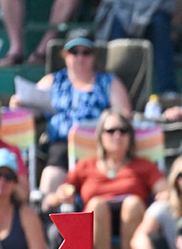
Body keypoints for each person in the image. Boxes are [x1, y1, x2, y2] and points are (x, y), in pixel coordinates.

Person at [41, 113, 162, 249]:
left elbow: (165, 190)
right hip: (95, 222)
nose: (117, 135)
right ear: (100, 137)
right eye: (111, 131)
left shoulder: (144, 165)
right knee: (97, 205)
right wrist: (61, 196)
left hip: (134, 219)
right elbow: (58, 195)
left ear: (130, 137)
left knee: (132, 204)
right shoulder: (85, 166)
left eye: (123, 131)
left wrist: (164, 195)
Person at [40, 32, 132, 192]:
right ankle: (48, 212)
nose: (80, 58)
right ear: (65, 55)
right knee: (52, 172)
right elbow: (30, 105)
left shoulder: (108, 81)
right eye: (74, 52)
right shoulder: (53, 81)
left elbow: (123, 115)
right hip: (62, 144)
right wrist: (18, 102)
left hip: (98, 144)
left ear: (94, 55)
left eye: (86, 52)